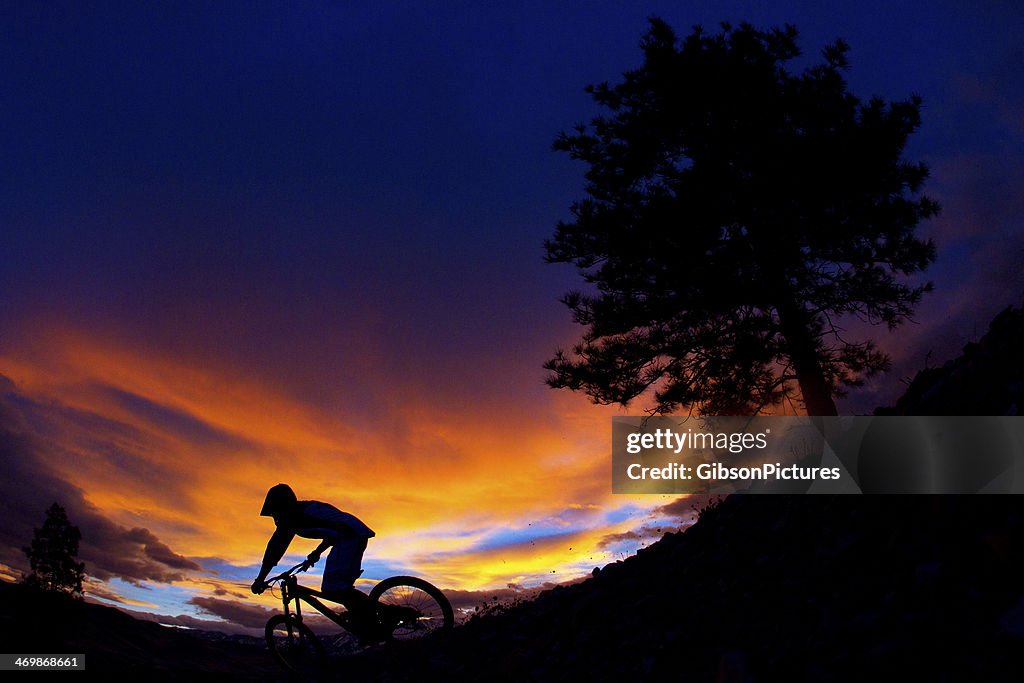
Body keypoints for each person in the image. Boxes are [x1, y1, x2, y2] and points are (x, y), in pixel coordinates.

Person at [251, 483, 376, 601]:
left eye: (275, 512)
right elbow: (333, 533)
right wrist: (316, 553)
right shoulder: (302, 512)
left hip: (350, 537)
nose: (275, 517)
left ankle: (368, 614)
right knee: (337, 587)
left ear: (282, 507)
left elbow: (274, 550)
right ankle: (362, 614)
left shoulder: (295, 518)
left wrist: (260, 579)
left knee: (333, 588)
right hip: (350, 537)